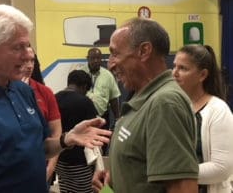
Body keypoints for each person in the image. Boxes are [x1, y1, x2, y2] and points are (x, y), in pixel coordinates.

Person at [0, 4, 112, 193]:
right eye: (18, 47)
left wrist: (66, 139)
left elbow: (40, 147)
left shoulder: (23, 91)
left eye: (27, 45)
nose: (28, 54)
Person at [92, 17, 199, 193]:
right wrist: (115, 178)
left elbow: (182, 188)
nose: (110, 64)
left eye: (115, 54)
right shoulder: (144, 99)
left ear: (144, 51)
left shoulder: (165, 104)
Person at [172, 44, 233, 193]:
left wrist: (170, 173)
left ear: (202, 75)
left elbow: (221, 168)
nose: (174, 73)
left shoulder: (218, 110)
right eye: (174, 66)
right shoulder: (175, 105)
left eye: (183, 68)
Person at [21, 47, 62, 184]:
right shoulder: (4, 91)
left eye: (32, 61)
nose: (29, 65)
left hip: (41, 166)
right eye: (24, 60)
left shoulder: (44, 92)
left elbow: (56, 133)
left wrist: (50, 169)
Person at [55, 69, 98, 193]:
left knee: (66, 190)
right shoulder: (85, 102)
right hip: (80, 161)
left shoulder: (53, 98)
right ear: (84, 86)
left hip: (59, 159)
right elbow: (95, 130)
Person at [82, 47, 121, 154]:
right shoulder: (80, 73)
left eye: (98, 58)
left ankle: (100, 169)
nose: (96, 61)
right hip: (84, 119)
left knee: (101, 146)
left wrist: (117, 117)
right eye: (93, 58)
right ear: (87, 59)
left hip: (102, 118)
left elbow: (113, 97)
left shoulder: (108, 76)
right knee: (85, 148)